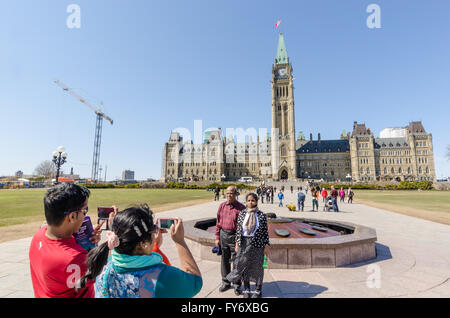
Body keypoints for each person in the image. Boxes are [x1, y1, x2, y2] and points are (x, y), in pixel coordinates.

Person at [80, 204, 202, 298]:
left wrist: (151, 241)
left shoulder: (101, 265)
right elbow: (195, 282)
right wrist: (180, 242)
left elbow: (119, 252)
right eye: (152, 232)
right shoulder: (161, 277)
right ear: (143, 244)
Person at [29, 183, 104, 298]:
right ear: (72, 217)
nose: (85, 215)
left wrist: (85, 238)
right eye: (85, 210)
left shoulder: (39, 234)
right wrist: (110, 244)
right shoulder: (75, 258)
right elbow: (99, 272)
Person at [226, 193, 270, 298]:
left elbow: (265, 232)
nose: (250, 202)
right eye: (249, 200)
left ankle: (258, 289)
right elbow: (238, 231)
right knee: (244, 266)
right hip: (244, 243)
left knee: (258, 267)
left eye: (253, 200)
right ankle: (246, 289)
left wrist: (267, 246)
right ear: (246, 202)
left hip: (257, 244)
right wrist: (237, 244)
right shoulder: (242, 214)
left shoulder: (261, 215)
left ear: (256, 202)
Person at [215, 186, 245, 295]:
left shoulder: (241, 208)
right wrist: (217, 237)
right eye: (227, 193)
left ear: (236, 194)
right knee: (224, 260)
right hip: (224, 235)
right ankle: (226, 282)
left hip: (235, 236)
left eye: (231, 193)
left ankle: (237, 284)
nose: (229, 195)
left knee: (236, 262)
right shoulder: (222, 206)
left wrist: (238, 241)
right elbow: (218, 223)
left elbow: (242, 227)